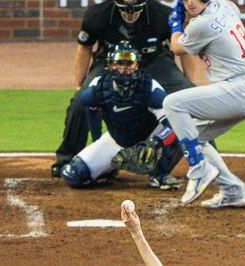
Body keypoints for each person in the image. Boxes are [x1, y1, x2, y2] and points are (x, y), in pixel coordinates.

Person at [51, 0, 195, 178]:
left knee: (191, 99)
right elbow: (84, 47)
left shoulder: (163, 14)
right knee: (79, 104)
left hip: (155, 61)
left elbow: (182, 49)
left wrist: (189, 82)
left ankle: (206, 160)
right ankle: (67, 157)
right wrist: (79, 84)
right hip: (111, 64)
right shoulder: (97, 14)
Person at [162, 0, 245, 209]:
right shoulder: (225, 5)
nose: (190, 3)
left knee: (173, 104)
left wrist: (176, 22)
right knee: (197, 135)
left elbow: (176, 47)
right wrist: (188, 15)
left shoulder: (201, 25)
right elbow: (214, 15)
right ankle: (232, 191)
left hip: (236, 89)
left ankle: (197, 167)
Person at [61, 42, 182, 191]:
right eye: (120, 63)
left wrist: (156, 142)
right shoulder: (98, 87)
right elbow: (91, 112)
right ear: (110, 65)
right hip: (116, 140)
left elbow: (174, 123)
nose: (124, 68)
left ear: (137, 65)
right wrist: (96, 140)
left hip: (148, 139)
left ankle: (159, 174)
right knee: (73, 174)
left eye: (129, 63)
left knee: (182, 130)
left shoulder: (150, 87)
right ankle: (109, 169)